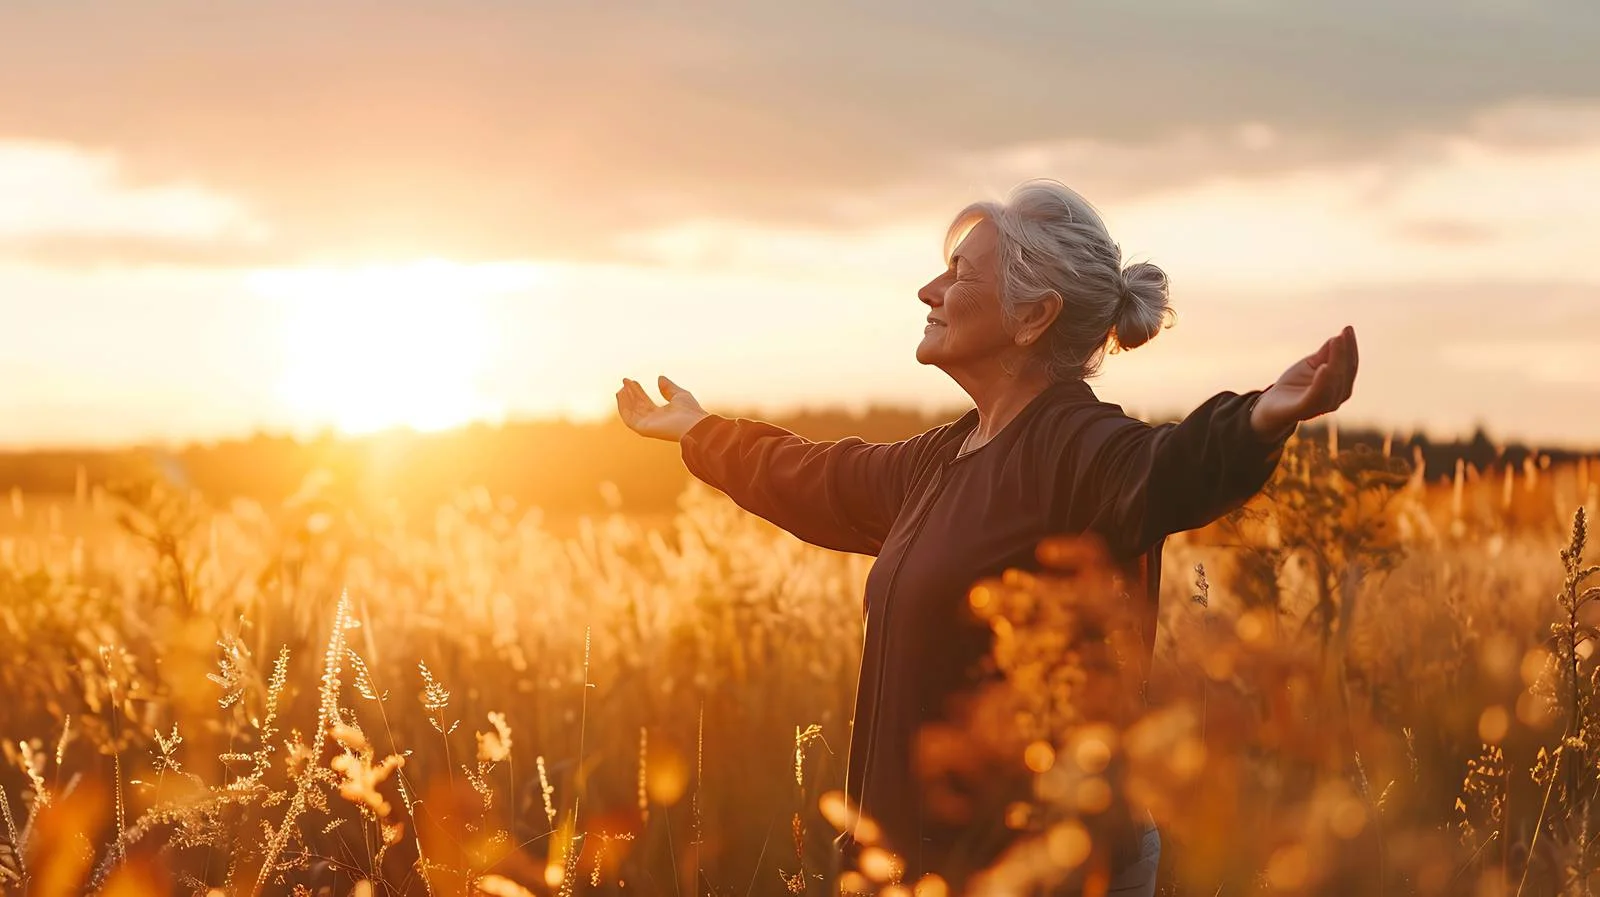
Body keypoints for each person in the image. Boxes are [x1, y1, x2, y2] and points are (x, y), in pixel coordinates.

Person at [615, 179, 1359, 895]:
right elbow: (821, 477)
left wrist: (1260, 417)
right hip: (917, 866)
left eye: (957, 273)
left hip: (1038, 869)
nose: (927, 292)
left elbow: (1168, 467)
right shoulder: (944, 458)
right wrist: (701, 433)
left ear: (1031, 316)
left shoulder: (1078, 446)